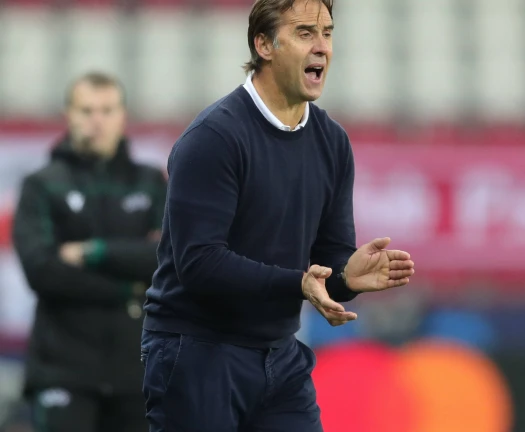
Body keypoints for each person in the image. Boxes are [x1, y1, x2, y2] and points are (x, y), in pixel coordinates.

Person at [140, 0, 416, 430]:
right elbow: (199, 264)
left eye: (327, 33)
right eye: (305, 33)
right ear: (264, 45)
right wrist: (298, 284)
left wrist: (346, 277)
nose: (322, 46)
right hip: (196, 350)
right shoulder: (214, 138)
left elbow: (329, 258)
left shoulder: (332, 142)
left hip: (281, 357)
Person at [11, 72, 167, 432]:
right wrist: (128, 287)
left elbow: (164, 259)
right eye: (87, 110)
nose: (97, 120)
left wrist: (93, 252)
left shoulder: (150, 182)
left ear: (122, 115)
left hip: (136, 373)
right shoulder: (42, 185)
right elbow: (42, 271)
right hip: (63, 372)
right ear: (68, 114)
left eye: (107, 110)